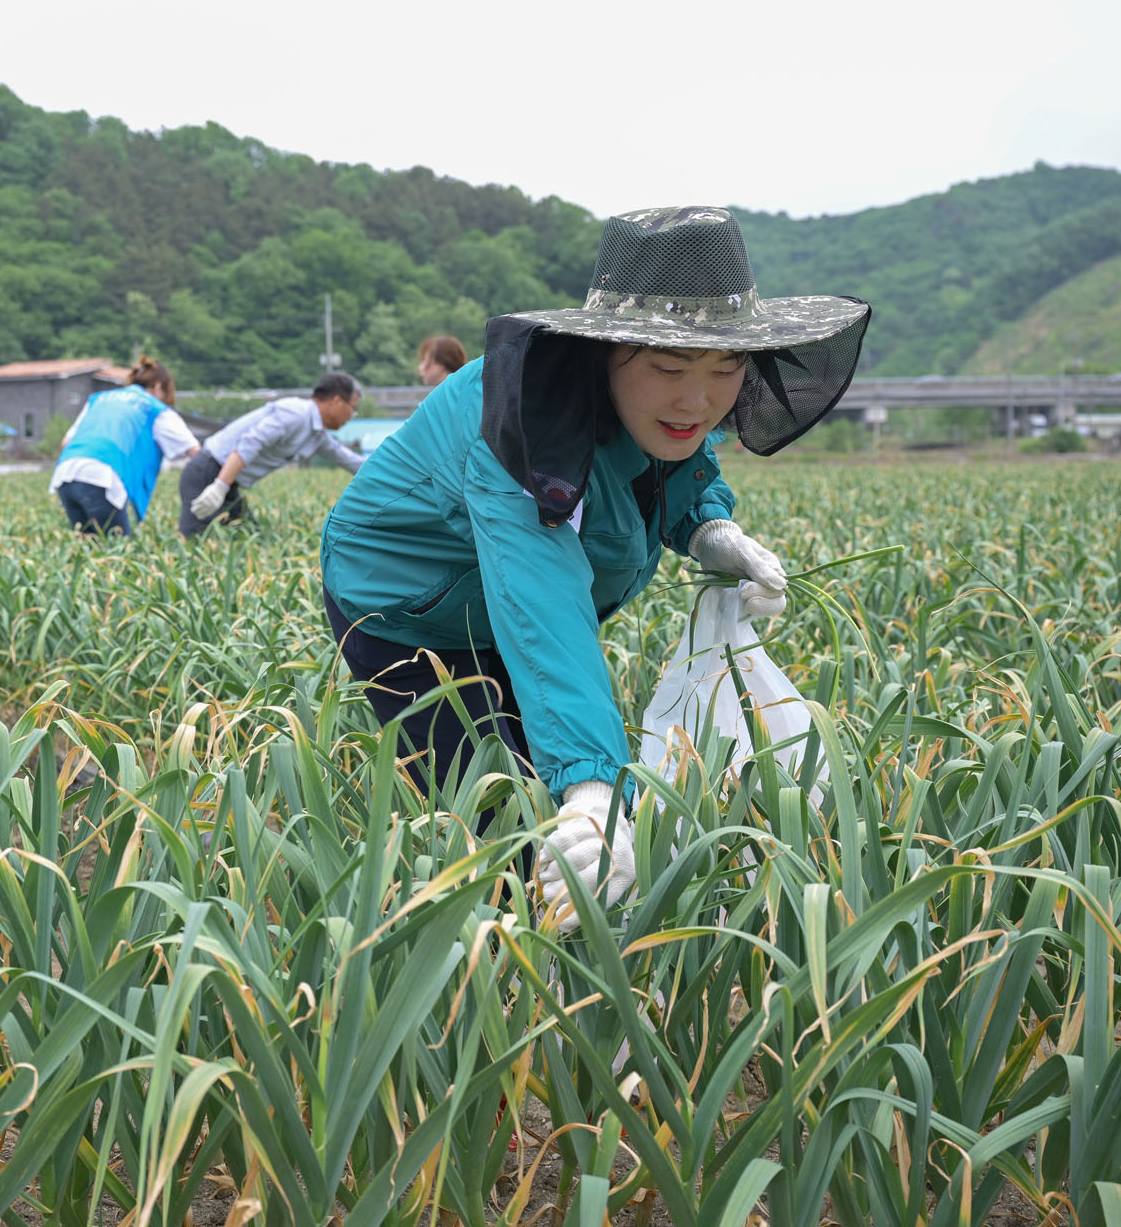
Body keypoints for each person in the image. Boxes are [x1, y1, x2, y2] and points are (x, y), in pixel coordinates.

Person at [320, 206, 869, 927]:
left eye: (726, 368)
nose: (697, 399)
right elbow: (542, 603)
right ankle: (496, 968)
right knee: (502, 817)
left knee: (560, 791)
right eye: (669, 367)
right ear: (604, 351)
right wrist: (593, 790)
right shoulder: (519, 425)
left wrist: (710, 527)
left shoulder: (653, 410)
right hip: (407, 611)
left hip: (501, 603)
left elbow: (678, 464)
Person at [180, 371, 365, 537]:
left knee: (249, 538)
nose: (351, 415)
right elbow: (250, 443)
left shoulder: (316, 433)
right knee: (194, 540)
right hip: (207, 474)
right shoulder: (295, 414)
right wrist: (219, 487)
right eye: (353, 408)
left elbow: (350, 461)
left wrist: (382, 469)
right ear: (337, 401)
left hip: (227, 482)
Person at [50, 356, 199, 536]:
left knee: (88, 543)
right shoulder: (154, 408)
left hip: (66, 475)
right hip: (101, 477)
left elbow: (66, 442)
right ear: (158, 386)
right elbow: (195, 451)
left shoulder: (100, 399)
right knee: (118, 546)